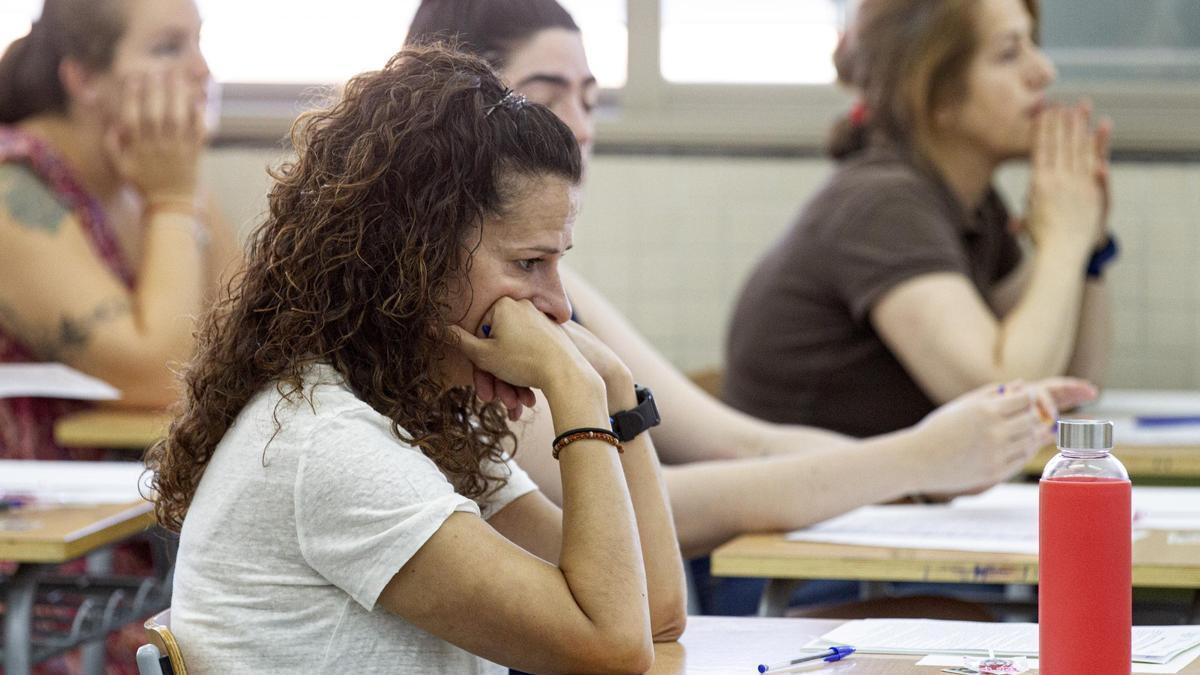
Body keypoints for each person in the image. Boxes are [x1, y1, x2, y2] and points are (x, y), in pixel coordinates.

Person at [404, 0, 1094, 561]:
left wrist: (926, 469)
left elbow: (739, 441)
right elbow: (617, 518)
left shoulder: (560, 294)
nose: (580, 130)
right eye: (547, 99)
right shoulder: (449, 312)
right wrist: (916, 462)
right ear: (460, 116)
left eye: (591, 100)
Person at [149, 44, 686, 673]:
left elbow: (655, 615)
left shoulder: (415, 417)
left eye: (557, 263)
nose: (559, 306)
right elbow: (612, 649)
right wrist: (576, 391)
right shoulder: (332, 446)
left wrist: (617, 391)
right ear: (419, 259)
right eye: (529, 264)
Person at [724, 0, 1113, 439]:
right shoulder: (882, 206)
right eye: (1009, 53)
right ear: (936, 92)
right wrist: (1063, 240)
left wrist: (1088, 246)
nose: (1043, 71)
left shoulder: (975, 205)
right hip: (807, 505)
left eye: (1032, 45)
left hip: (885, 501)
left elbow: (1074, 384)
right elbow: (1003, 396)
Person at [0, 0, 241, 460]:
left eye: (199, 42)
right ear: (83, 79)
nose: (201, 70)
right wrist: (172, 200)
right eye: (168, 48)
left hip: (136, 493)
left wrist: (179, 191)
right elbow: (160, 378)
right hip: (44, 515)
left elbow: (251, 338)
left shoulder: (155, 174)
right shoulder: (13, 182)